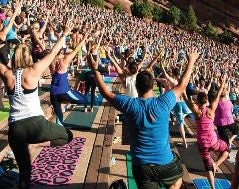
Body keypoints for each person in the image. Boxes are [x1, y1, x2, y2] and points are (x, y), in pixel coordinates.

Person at [89, 47, 200, 189]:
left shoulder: (129, 104)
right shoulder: (163, 102)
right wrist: (191, 61)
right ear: (152, 85)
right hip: (166, 164)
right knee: (177, 182)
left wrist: (95, 69)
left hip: (142, 168)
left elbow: (105, 92)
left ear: (136, 85)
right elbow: (182, 84)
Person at [0, 18, 74, 189]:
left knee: (25, 174)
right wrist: (64, 34)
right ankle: (35, 143)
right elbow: (53, 53)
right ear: (28, 57)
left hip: (15, 130)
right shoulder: (33, 71)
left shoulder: (7, 75)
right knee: (67, 136)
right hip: (36, 124)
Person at [183, 76, 230, 189]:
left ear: (198, 101)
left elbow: (185, 98)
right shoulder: (211, 109)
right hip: (214, 141)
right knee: (227, 149)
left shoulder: (197, 112)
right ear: (206, 100)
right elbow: (218, 95)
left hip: (202, 144)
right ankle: (216, 164)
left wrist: (182, 86)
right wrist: (223, 83)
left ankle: (213, 187)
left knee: (208, 167)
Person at [49, 35, 88, 125]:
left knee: (59, 116)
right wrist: (84, 39)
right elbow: (76, 50)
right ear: (61, 52)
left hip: (53, 94)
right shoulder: (64, 60)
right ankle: (66, 101)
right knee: (84, 100)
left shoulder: (51, 60)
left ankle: (59, 132)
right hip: (64, 92)